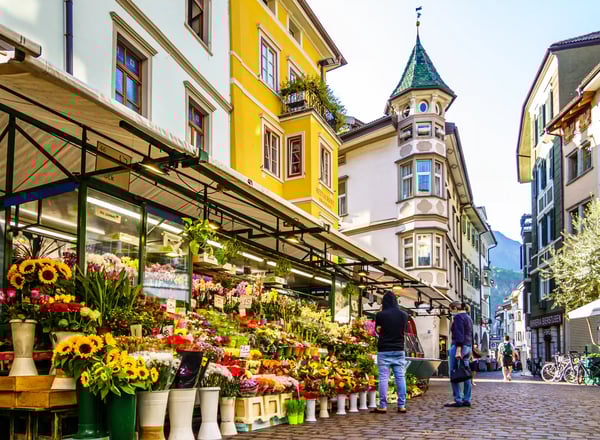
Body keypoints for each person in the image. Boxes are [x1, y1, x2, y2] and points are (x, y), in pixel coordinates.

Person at [372, 290, 408, 414]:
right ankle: (402, 405)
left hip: (384, 349)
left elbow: (377, 330)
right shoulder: (404, 315)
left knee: (383, 378)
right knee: (400, 377)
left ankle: (383, 405)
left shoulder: (380, 315)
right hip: (399, 349)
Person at [445, 301, 473, 408]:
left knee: (454, 372)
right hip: (468, 347)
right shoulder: (468, 317)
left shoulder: (458, 318)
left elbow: (459, 334)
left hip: (459, 347)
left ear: (455, 309)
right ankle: (467, 398)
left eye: (450, 309)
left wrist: (458, 349)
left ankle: (458, 399)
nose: (450, 312)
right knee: (466, 373)